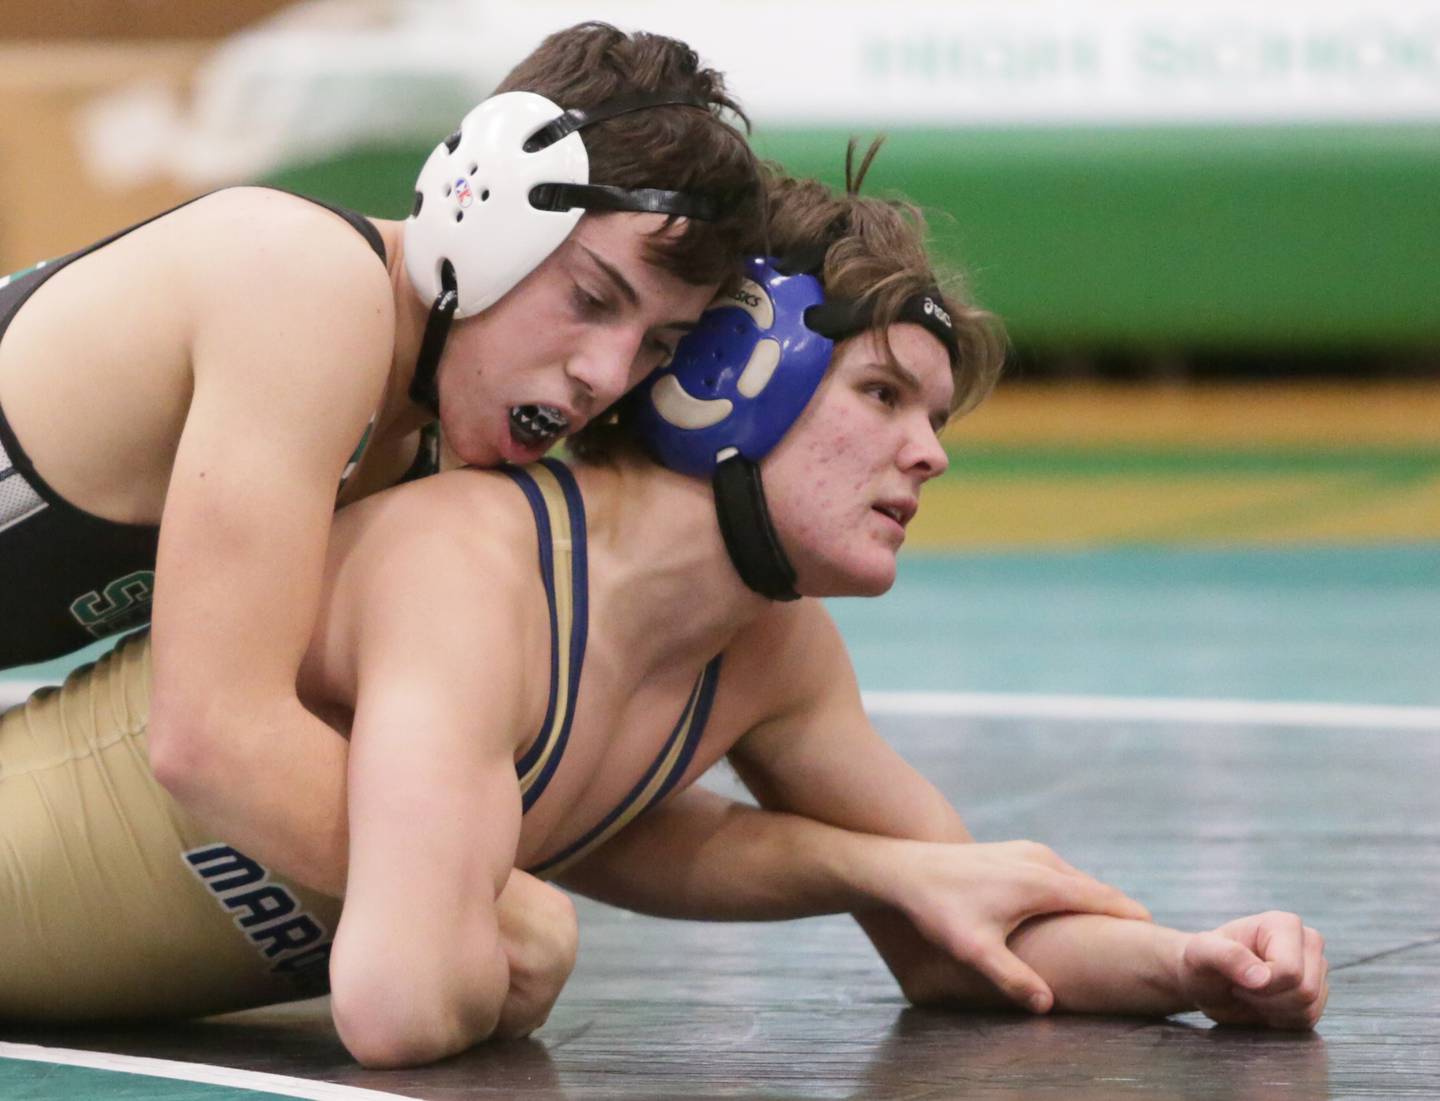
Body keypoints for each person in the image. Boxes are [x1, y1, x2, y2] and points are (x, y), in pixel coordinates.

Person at [0, 156, 1329, 1068]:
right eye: (884, 397)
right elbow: (400, 1006)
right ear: (733, 383)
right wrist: (530, 911)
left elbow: (968, 919)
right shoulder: (471, 562)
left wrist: (1195, 965)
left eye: (933, 417)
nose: (931, 454)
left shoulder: (772, 657)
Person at [0, 22, 766, 889]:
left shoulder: (434, 449)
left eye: (659, 344)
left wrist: (884, 873)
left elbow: (509, 789)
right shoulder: (306, 287)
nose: (607, 374)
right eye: (592, 298)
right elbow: (211, 737)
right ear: (481, 213)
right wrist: (473, 910)